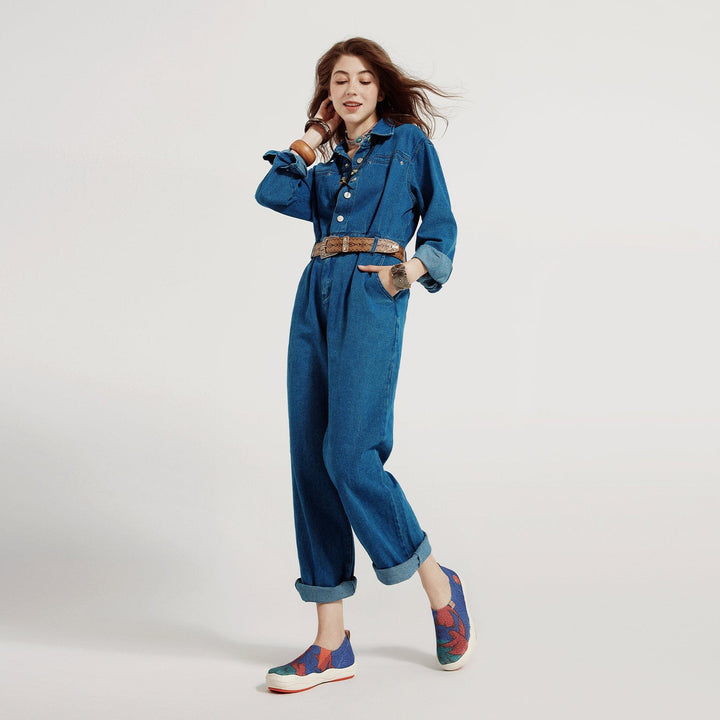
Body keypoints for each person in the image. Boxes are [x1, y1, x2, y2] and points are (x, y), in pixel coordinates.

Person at [255, 37, 475, 693]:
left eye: (363, 79)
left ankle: (439, 584)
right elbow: (271, 191)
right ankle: (331, 643)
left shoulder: (407, 144)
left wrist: (403, 276)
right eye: (338, 81)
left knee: (350, 455)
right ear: (327, 96)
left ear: (381, 88)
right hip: (314, 296)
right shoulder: (325, 168)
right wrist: (312, 138)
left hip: (372, 296)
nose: (351, 89)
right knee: (310, 460)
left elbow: (441, 228)